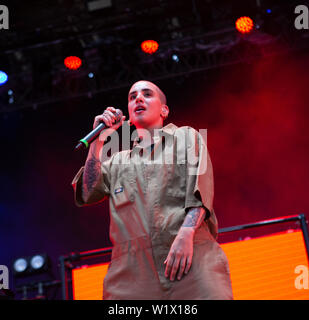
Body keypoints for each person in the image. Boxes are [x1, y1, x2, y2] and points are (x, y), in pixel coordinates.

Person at [71, 80, 233, 300]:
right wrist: (100, 140)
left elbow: (200, 188)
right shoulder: (118, 162)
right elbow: (88, 192)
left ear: (164, 109)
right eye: (132, 97)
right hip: (132, 280)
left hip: (191, 263)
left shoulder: (186, 137)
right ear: (127, 113)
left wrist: (186, 234)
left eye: (147, 94)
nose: (138, 98)